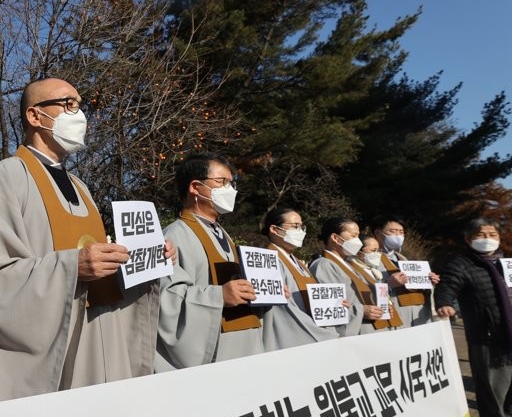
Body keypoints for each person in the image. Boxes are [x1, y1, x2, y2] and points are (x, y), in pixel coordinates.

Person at [0, 77, 174, 403]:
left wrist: (143, 260)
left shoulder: (81, 188)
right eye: (68, 105)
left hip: (96, 340)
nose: (80, 115)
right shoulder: (2, 179)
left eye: (80, 105)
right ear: (35, 116)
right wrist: (71, 267)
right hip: (52, 355)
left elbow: (98, 267)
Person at [156, 153, 260, 369]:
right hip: (217, 354)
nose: (230, 190)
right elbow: (167, 302)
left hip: (245, 346)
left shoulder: (224, 235)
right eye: (223, 182)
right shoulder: (173, 236)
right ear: (195, 187)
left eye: (232, 183)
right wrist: (218, 296)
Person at [436, 218, 512, 417]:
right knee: (493, 391)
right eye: (480, 234)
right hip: (486, 338)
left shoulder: (506, 264)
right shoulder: (462, 264)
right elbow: (448, 286)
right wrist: (445, 303)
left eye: (492, 233)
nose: (487, 238)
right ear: (469, 239)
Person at [260, 207, 344, 350]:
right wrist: (323, 334)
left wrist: (333, 304)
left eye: (302, 227)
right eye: (295, 226)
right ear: (274, 229)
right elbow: (285, 310)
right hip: (295, 336)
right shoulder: (266, 260)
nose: (301, 232)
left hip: (314, 331)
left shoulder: (298, 262)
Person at [309, 218, 401, 335]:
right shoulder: (324, 265)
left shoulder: (348, 265)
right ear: (335, 238)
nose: (358, 241)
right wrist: (362, 311)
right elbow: (330, 308)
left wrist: (382, 307)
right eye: (354, 236)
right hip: (355, 331)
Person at [372, 216, 439, 326]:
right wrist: (388, 284)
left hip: (419, 314)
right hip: (396, 314)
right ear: (378, 233)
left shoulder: (404, 259)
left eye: (401, 232)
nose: (398, 235)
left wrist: (429, 282)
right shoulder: (371, 260)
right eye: (392, 231)